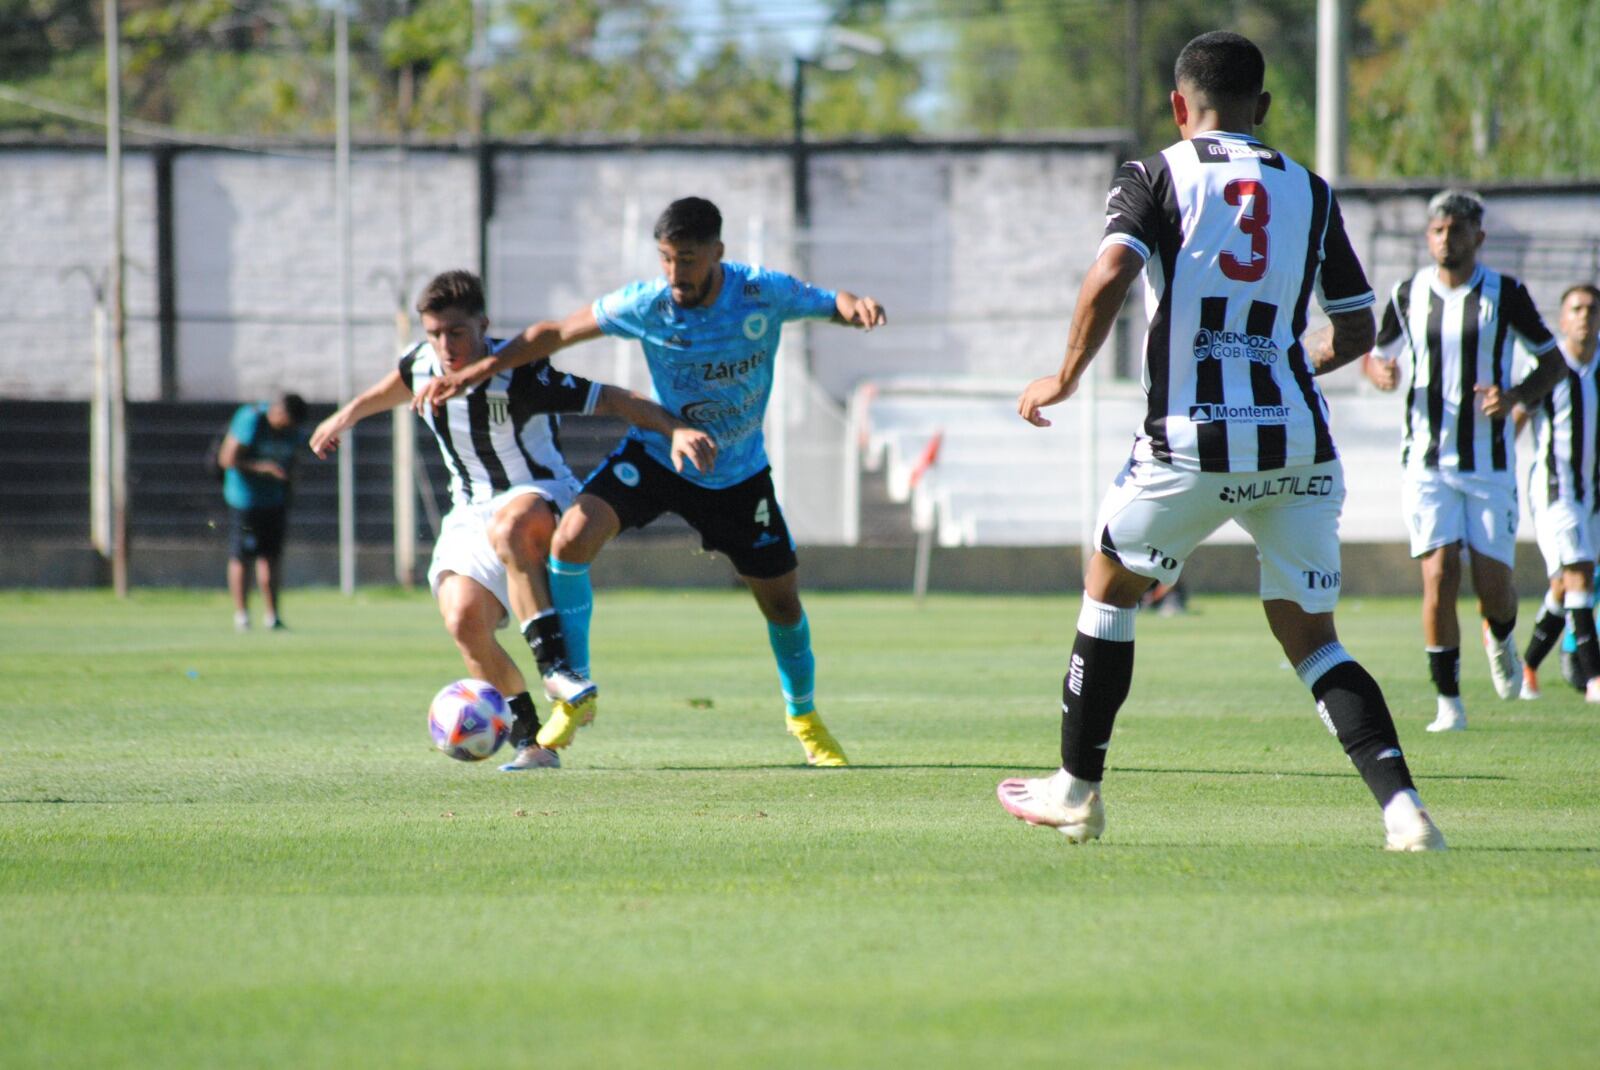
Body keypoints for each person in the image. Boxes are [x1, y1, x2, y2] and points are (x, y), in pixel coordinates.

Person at [994, 30, 1446, 851]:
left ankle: (1077, 789)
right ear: (1263, 108)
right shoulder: (1310, 190)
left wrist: (1060, 377)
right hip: (1297, 448)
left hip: (1189, 444)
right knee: (1313, 638)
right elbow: (1354, 326)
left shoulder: (1156, 174)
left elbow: (1109, 275)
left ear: (1178, 106)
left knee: (1108, 586)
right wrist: (1291, 358)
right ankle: (1405, 811)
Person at [413, 197, 886, 765]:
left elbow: (826, 302)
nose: (674, 273)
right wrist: (482, 368)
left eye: (686, 259)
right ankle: (573, 690)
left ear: (717, 253)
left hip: (737, 475)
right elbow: (556, 331)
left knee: (782, 604)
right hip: (660, 455)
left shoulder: (760, 291)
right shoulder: (647, 302)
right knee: (571, 538)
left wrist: (853, 304)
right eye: (665, 258)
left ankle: (804, 717)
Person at [310, 270, 715, 772]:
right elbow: (390, 388)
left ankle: (556, 670)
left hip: (541, 495)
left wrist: (675, 428)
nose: (444, 344)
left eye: (456, 332)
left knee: (511, 525)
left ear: (483, 324)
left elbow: (610, 398)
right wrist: (342, 417)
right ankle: (532, 742)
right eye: (434, 333)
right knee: (463, 620)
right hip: (469, 512)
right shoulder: (420, 365)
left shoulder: (520, 374)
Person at [1362, 190, 1563, 731]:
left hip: (1488, 463)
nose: (1445, 239)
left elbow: (1553, 363)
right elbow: (1378, 357)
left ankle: (1499, 636)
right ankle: (1448, 702)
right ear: (1428, 238)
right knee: (1439, 572)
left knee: (1493, 584)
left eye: (1456, 229)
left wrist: (1516, 395)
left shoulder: (1506, 294)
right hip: (1426, 461)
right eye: (1437, 230)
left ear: (1479, 236)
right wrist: (1379, 373)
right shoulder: (1409, 295)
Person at [1514, 284, 1600, 700]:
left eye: (1591, 309)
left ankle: (1527, 663)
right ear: (1563, 319)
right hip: (1555, 489)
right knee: (1581, 570)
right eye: (1576, 309)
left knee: (1566, 586)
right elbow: (1515, 414)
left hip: (1593, 495)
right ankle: (1594, 680)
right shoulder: (1547, 366)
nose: (1584, 316)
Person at [219, 390, 308, 631]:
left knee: (271, 557)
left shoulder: (293, 431)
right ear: (277, 412)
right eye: (285, 422)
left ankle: (273, 615)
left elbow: (295, 461)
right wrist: (263, 469)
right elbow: (227, 459)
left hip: (275, 500)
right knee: (241, 556)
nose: (285, 429)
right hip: (244, 499)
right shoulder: (252, 419)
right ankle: (242, 615)